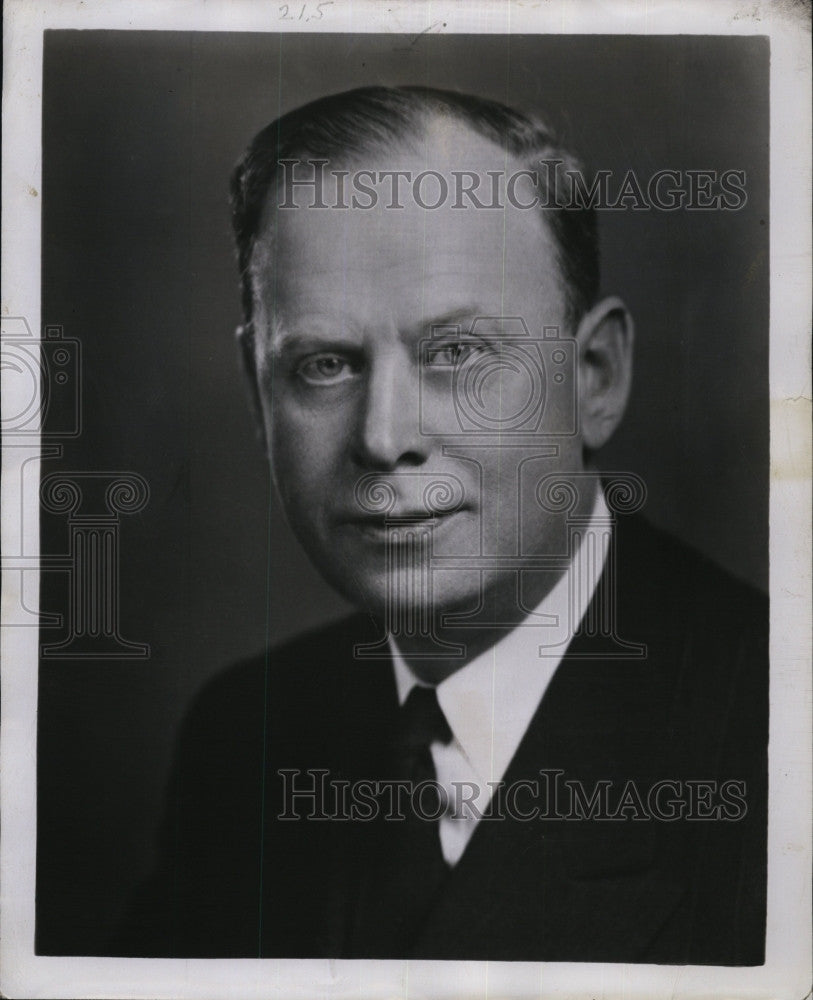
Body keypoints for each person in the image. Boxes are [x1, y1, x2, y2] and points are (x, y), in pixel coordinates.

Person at [114, 86, 767, 964]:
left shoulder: (773, 727)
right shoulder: (245, 737)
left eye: (456, 353)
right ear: (254, 393)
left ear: (594, 379)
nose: (384, 438)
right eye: (322, 365)